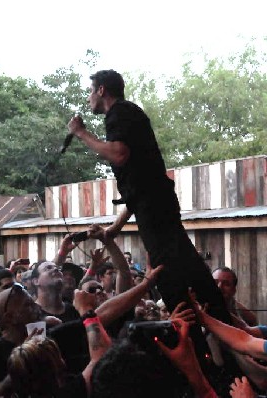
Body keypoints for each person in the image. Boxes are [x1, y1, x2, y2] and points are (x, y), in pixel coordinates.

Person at [66, 70, 229, 352]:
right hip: (156, 204)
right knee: (189, 267)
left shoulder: (119, 113)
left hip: (156, 207)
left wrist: (80, 133)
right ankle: (225, 331)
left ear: (102, 90)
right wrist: (115, 228)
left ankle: (197, 350)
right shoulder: (126, 114)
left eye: (91, 91)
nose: (89, 97)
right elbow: (140, 184)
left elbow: (119, 154)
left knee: (167, 276)